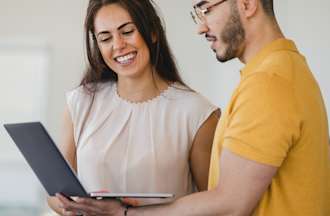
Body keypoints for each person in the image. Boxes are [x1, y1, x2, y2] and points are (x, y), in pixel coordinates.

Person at [57, 0, 330, 215]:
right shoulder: (276, 75)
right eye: (105, 38)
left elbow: (228, 205)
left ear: (247, 4)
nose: (201, 27)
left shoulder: (269, 83)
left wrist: (125, 214)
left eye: (206, 9)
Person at [48, 0, 220, 215]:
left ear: (153, 32)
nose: (118, 45)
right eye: (105, 38)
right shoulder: (80, 103)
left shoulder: (197, 114)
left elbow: (215, 204)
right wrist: (72, 208)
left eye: (127, 31)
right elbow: (56, 194)